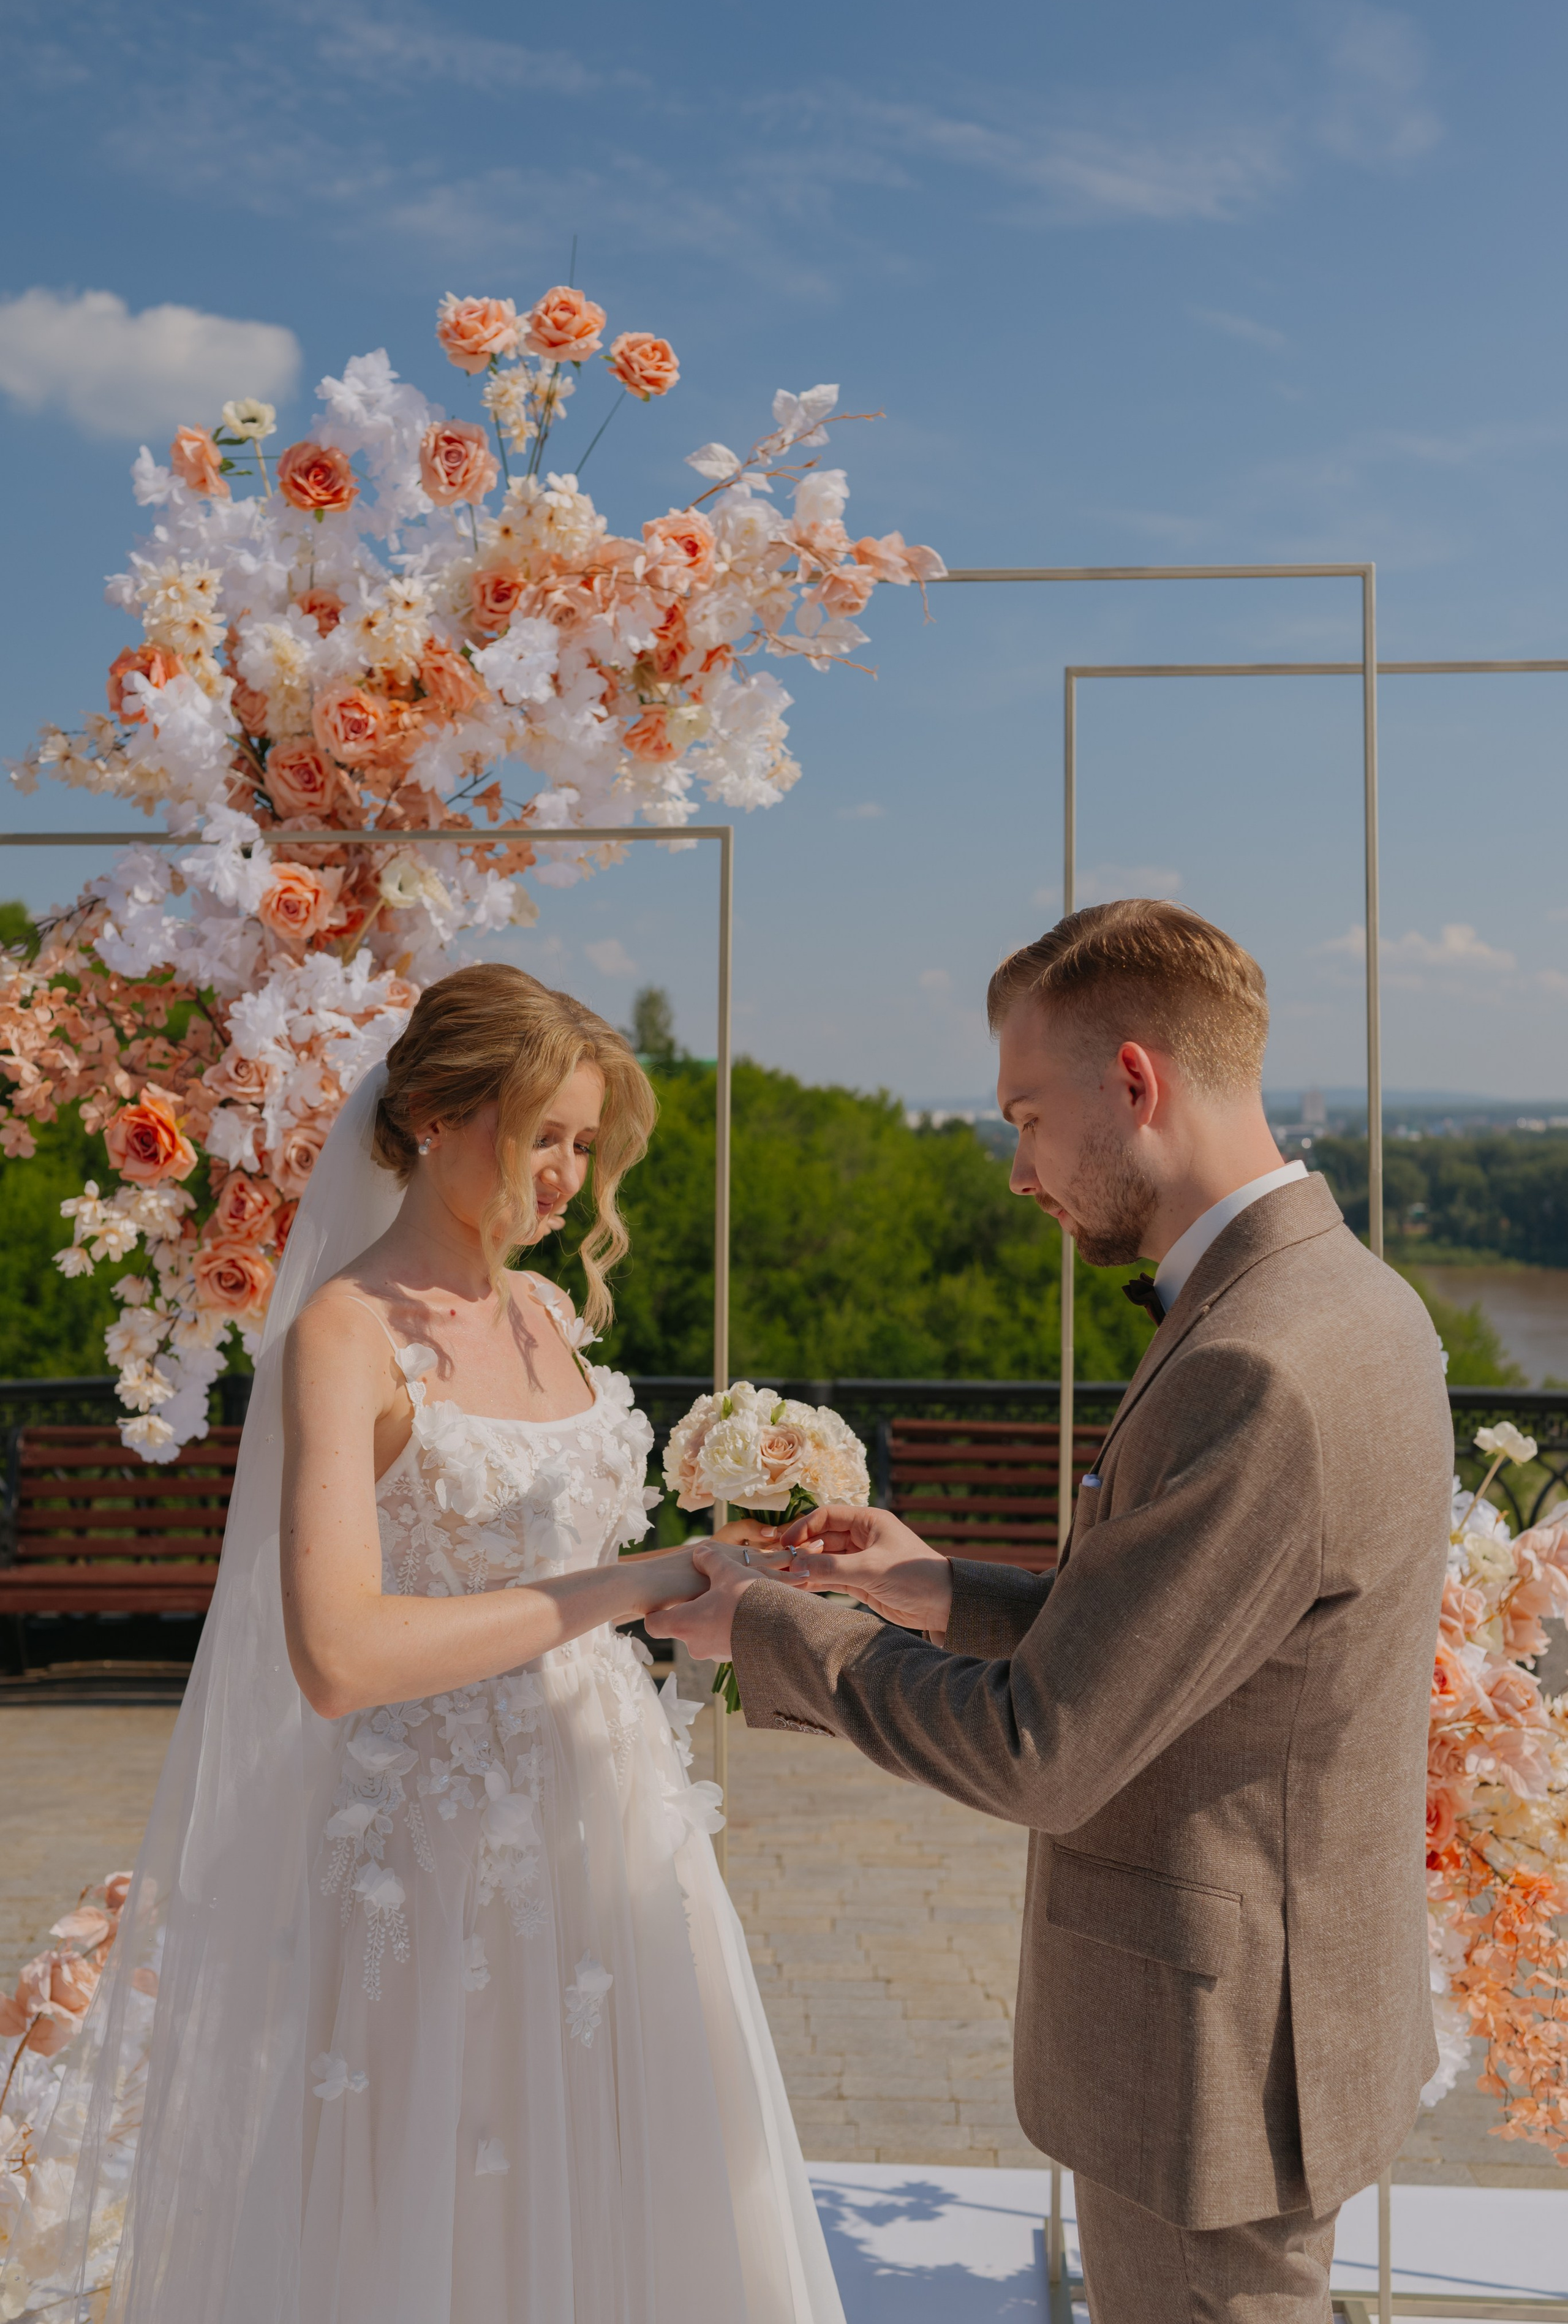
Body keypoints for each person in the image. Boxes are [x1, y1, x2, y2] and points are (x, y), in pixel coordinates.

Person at [650, 902, 1453, 2324]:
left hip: (1209, 2061)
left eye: (1025, 1114)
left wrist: (770, 1631)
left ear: (1134, 1082)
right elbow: (1196, 1647)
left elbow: (1047, 1748)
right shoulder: (1350, 1302)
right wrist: (931, 1586)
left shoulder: (1253, 1363)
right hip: (1264, 2017)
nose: (1016, 1169)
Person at [6, 966, 843, 2324]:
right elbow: (337, 1654)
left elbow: (579, 1558)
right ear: (438, 1115)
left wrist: (711, 1581)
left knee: (635, 2169)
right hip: (437, 1849)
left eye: (584, 1142)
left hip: (612, 1813)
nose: (568, 1175)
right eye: (542, 1134)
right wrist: (622, 1587)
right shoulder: (345, 1335)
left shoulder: (547, 1315)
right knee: (444, 2185)